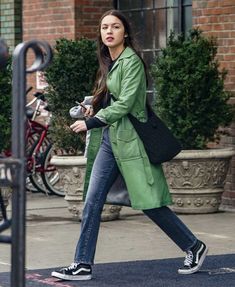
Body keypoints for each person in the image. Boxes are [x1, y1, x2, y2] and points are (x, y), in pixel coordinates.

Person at [51, 9, 208, 281]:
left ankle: (194, 246)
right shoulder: (109, 62)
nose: (109, 31)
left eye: (115, 27)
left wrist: (92, 122)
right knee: (92, 200)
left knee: (148, 203)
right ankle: (82, 264)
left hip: (132, 142)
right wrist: (93, 110)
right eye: (104, 27)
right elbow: (113, 101)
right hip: (112, 141)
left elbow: (126, 104)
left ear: (125, 32)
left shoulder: (131, 61)